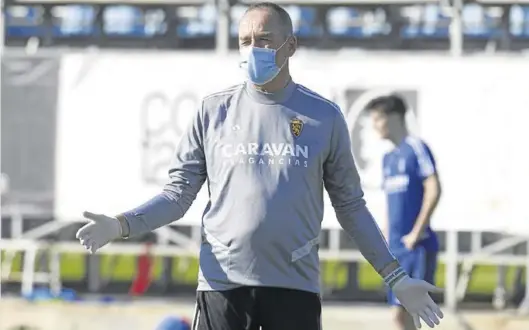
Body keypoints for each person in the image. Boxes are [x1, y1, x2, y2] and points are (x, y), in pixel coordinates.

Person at [76, 3, 443, 330]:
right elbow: (177, 195)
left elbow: (350, 207)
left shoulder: (324, 117)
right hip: (222, 286)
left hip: (294, 288)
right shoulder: (212, 111)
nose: (254, 49)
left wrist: (396, 277)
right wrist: (121, 224)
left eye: (265, 39)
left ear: (291, 46)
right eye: (245, 40)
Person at [365, 95, 442, 330]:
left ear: (395, 117)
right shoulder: (388, 158)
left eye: (378, 118)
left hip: (415, 248)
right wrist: (386, 240)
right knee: (398, 315)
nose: (374, 125)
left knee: (409, 314)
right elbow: (392, 204)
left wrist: (416, 233)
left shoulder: (415, 148)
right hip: (397, 250)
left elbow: (434, 188)